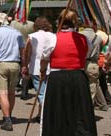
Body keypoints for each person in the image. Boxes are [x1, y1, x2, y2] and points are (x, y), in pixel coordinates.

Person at [40, 8, 97, 136]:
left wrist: (42, 72)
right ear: (75, 23)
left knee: (58, 111)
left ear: (59, 22)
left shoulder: (53, 39)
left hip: (58, 78)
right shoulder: (84, 39)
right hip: (78, 76)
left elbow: (44, 58)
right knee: (79, 111)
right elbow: (86, 54)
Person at [23, 16, 55, 122]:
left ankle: (46, 114)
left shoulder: (32, 37)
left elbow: (27, 53)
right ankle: (40, 114)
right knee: (46, 92)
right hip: (51, 67)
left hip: (36, 67)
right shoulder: (53, 36)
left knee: (41, 93)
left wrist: (25, 66)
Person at [80, 22, 108, 111]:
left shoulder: (79, 35)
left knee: (80, 86)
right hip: (92, 63)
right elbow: (100, 49)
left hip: (80, 63)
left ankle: (80, 108)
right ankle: (88, 109)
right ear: (94, 27)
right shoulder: (98, 38)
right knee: (92, 87)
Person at [10, 18, 34, 100]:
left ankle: (14, 88)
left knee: (17, 70)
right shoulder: (32, 24)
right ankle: (24, 92)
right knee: (25, 71)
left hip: (16, 49)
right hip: (27, 49)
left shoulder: (13, 23)